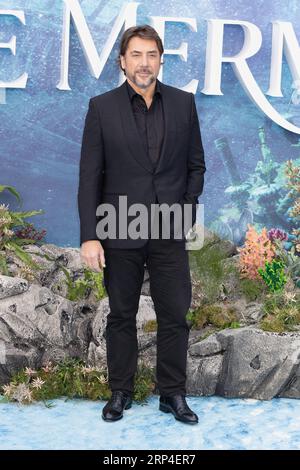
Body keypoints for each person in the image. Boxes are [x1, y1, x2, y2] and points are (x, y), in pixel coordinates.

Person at [78, 24, 206, 424]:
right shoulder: (101, 107)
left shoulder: (185, 104)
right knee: (121, 314)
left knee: (175, 315)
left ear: (160, 60)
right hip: (118, 225)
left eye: (151, 55)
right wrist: (89, 236)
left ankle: (173, 395)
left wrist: (185, 211)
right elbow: (89, 177)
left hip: (170, 227)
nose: (144, 63)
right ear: (122, 61)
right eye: (136, 55)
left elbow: (195, 166)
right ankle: (121, 392)